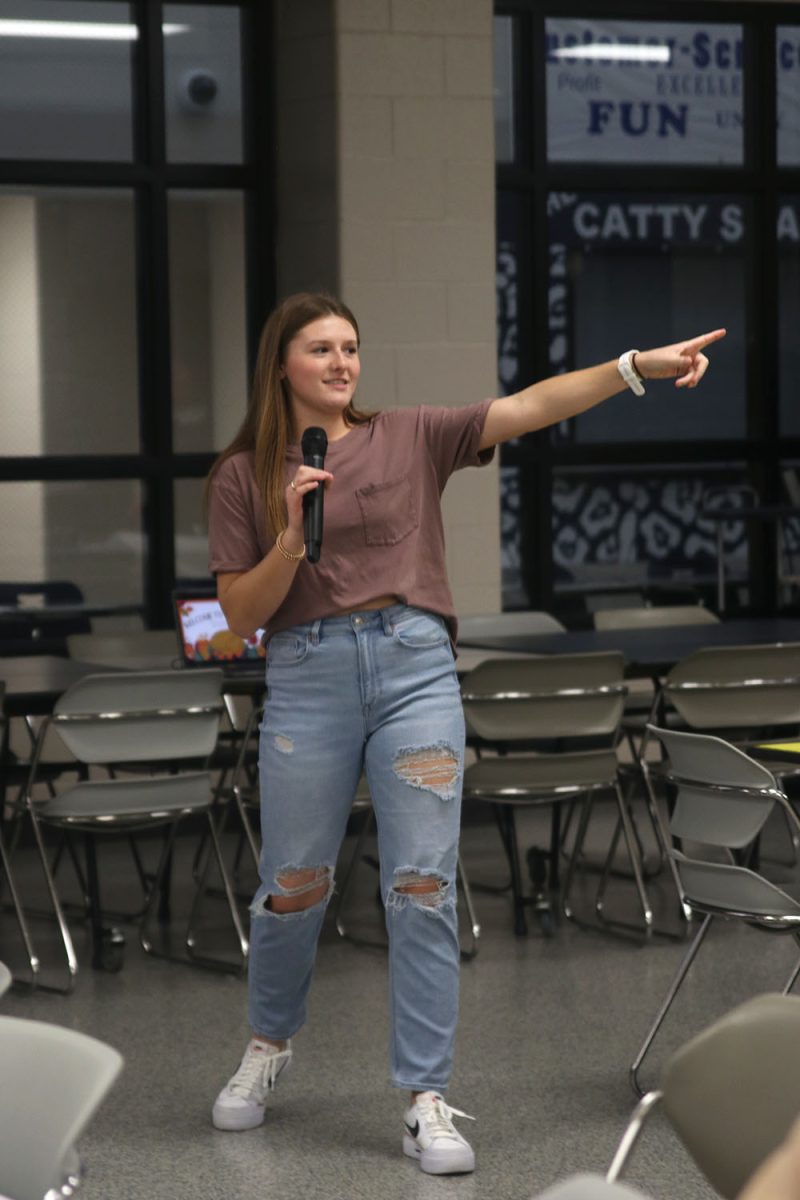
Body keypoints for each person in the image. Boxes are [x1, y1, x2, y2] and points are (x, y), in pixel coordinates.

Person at [205, 289, 725, 1175]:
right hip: (307, 673)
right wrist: (292, 533)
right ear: (281, 364)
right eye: (321, 349)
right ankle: (268, 1044)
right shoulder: (242, 475)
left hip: (413, 670)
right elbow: (240, 613)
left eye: (351, 348)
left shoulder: (411, 435)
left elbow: (532, 403)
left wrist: (635, 368)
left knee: (422, 887)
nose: (341, 363)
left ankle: (425, 1098)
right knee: (292, 885)